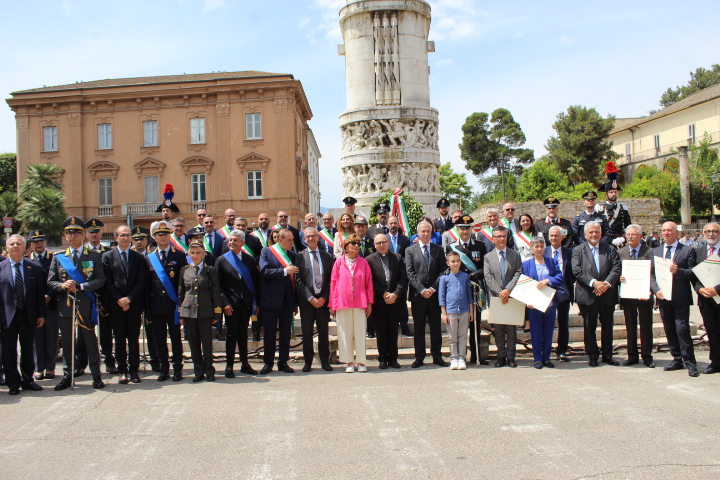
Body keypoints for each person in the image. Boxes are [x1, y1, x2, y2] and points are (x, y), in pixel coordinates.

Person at [48, 216, 106, 390]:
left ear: (83, 235)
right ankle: (68, 375)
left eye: (76, 233)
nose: (72, 236)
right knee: (67, 341)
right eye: (69, 233)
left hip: (85, 303)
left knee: (89, 340)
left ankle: (96, 375)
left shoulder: (94, 256)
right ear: (65, 236)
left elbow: (101, 280)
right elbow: (51, 281)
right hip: (65, 305)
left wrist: (81, 286)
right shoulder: (58, 258)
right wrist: (62, 285)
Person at [0, 235, 46, 395]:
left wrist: (41, 314)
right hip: (6, 317)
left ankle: (28, 380)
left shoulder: (34, 267)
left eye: (18, 243)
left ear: (24, 246)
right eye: (11, 244)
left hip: (28, 315)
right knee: (9, 350)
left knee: (28, 349)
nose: (15, 246)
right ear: (6, 247)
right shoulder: (1, 268)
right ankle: (13, 382)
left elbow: (40, 294)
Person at [651, 221, 699, 377]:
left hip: (680, 298)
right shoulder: (656, 251)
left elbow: (693, 273)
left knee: (682, 330)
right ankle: (677, 359)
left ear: (676, 233)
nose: (666, 233)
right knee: (670, 330)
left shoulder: (687, 251)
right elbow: (651, 275)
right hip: (664, 298)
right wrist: (656, 291)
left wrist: (679, 271)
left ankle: (690, 363)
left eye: (669, 230)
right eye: (664, 230)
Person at [571, 221, 621, 367]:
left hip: (607, 294)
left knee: (607, 326)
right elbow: (577, 270)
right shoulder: (578, 250)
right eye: (591, 232)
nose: (594, 235)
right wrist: (594, 283)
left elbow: (616, 269)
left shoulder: (610, 249)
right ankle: (592, 355)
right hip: (588, 294)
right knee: (589, 326)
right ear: (585, 234)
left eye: (597, 232)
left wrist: (605, 285)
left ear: (601, 233)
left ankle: (607, 355)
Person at [102, 226, 147, 384]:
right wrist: (120, 300)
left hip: (133, 305)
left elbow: (142, 281)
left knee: (133, 339)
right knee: (120, 339)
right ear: (116, 237)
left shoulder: (138, 257)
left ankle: (134, 370)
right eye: (123, 235)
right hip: (116, 305)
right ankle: (122, 370)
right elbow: (107, 282)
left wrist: (129, 299)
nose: (126, 238)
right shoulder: (107, 257)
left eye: (128, 235)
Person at [215, 230, 261, 377]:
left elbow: (255, 283)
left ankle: (245, 364)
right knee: (231, 335)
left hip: (246, 304)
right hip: (230, 305)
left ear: (242, 243)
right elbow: (218, 286)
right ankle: (229, 366)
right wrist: (225, 303)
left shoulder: (249, 260)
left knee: (243, 335)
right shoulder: (222, 260)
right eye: (230, 240)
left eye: (235, 240)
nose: (232, 242)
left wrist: (256, 303)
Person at [146, 222, 187, 381]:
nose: (162, 237)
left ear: (170, 236)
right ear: (154, 237)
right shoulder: (149, 257)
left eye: (165, 234)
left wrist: (182, 304)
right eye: (159, 234)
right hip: (156, 305)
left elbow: (183, 282)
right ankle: (164, 369)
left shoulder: (179, 255)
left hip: (173, 305)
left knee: (176, 338)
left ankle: (178, 369)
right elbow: (147, 283)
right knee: (160, 339)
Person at [178, 241, 223, 382]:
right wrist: (180, 313)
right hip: (189, 311)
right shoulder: (184, 270)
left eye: (198, 252)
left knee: (207, 343)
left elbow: (216, 293)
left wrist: (217, 313)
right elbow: (181, 292)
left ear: (203, 254)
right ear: (189, 255)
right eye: (193, 253)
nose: (195, 255)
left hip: (205, 311)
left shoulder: (210, 271)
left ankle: (209, 370)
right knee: (193, 342)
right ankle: (198, 371)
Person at [406, 220, 448, 368]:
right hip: (418, 296)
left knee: (436, 327)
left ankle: (437, 356)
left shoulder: (438, 249)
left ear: (432, 233)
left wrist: (433, 288)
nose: (425, 234)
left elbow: (443, 270)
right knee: (419, 328)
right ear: (418, 233)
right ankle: (419, 357)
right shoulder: (410, 250)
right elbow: (410, 273)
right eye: (423, 231)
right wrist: (422, 290)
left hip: (434, 295)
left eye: (428, 231)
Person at [329, 233, 373, 373]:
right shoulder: (339, 263)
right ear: (346, 246)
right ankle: (348, 361)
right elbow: (333, 284)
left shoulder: (364, 262)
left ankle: (361, 361)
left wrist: (370, 303)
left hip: (360, 302)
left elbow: (369, 284)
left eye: (358, 243)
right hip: (343, 302)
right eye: (353, 243)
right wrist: (332, 304)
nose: (356, 246)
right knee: (345, 332)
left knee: (360, 332)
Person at [446, 215, 487, 364]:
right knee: (458, 326)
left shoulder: (480, 245)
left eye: (467, 227)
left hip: (475, 289)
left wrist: (478, 274)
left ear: (472, 228)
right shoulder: (451, 247)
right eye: (462, 228)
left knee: (475, 324)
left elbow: (484, 265)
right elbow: (449, 268)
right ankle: (457, 356)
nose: (464, 231)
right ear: (457, 229)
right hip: (460, 290)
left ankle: (476, 355)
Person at [259, 228, 298, 374]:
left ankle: (283, 362)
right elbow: (264, 271)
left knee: (285, 334)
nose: (292, 242)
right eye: (289, 240)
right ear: (279, 240)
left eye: (293, 239)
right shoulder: (267, 252)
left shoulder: (292, 255)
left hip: (287, 300)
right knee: (269, 334)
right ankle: (268, 363)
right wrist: (284, 271)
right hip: (271, 300)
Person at [295, 228, 334, 372]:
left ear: (318, 238)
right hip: (307, 302)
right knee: (307, 333)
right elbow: (298, 280)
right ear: (304, 239)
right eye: (308, 237)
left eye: (313, 236)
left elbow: (331, 279)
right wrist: (310, 298)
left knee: (324, 333)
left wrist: (324, 297)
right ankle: (308, 361)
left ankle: (325, 361)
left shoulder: (327, 256)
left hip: (323, 301)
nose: (311, 238)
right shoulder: (299, 257)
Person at [366, 234, 407, 369]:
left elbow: (403, 278)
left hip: (395, 301)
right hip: (379, 302)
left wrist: (395, 294)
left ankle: (393, 359)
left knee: (393, 331)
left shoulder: (398, 257)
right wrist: (383, 293)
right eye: (378, 243)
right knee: (381, 332)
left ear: (388, 242)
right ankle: (382, 358)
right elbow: (370, 281)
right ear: (374, 245)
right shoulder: (369, 260)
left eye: (383, 242)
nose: (381, 245)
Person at [523, 236, 565, 369]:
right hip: (533, 303)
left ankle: (546, 357)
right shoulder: (526, 264)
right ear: (531, 247)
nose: (539, 249)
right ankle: (537, 359)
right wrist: (527, 300)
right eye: (536, 246)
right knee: (535, 331)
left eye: (541, 246)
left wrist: (549, 280)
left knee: (548, 330)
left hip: (549, 302)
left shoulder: (552, 262)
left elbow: (560, 276)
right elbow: (523, 284)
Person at [484, 226, 523, 368]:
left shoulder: (515, 254)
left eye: (504, 236)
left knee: (512, 329)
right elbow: (488, 277)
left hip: (512, 296)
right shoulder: (488, 257)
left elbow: (518, 273)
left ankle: (511, 357)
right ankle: (501, 356)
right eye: (498, 236)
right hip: (496, 297)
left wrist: (508, 290)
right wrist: (500, 292)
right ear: (493, 239)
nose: (501, 239)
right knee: (498, 329)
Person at [617, 224, 655, 368]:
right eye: (628, 235)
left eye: (634, 234)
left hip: (644, 295)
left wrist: (651, 290)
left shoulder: (650, 251)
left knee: (646, 326)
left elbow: (654, 274)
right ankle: (632, 356)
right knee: (630, 326)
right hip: (628, 295)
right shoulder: (621, 252)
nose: (631, 237)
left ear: (640, 236)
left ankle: (647, 356)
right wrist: (620, 278)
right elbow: (617, 270)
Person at [26, 230, 57, 380]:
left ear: (45, 242)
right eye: (35, 241)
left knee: (51, 336)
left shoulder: (53, 259)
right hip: (34, 307)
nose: (38, 244)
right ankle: (39, 368)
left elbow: (59, 278)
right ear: (30, 244)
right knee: (37, 338)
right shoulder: (27, 260)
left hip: (51, 304)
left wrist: (49, 296)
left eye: (41, 241)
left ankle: (50, 367)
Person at [439, 251, 474, 370]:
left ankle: (462, 357)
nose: (455, 263)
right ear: (448, 263)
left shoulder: (465, 276)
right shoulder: (444, 278)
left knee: (463, 335)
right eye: (453, 261)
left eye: (457, 261)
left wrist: (471, 311)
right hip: (451, 310)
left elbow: (470, 295)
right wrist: (444, 313)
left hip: (464, 310)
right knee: (452, 336)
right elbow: (441, 296)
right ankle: (454, 357)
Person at [693, 223, 720, 374]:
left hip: (719, 295)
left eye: (715, 231)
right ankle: (715, 362)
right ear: (703, 234)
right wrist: (699, 289)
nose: (711, 234)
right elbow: (694, 276)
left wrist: (717, 289)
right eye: (708, 231)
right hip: (705, 299)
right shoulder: (699, 251)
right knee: (712, 331)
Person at [545, 225, 575, 362]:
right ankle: (545, 350)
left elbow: (573, 272)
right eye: (551, 236)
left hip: (563, 292)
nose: (553, 238)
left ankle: (562, 351)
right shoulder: (543, 252)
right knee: (546, 323)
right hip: (546, 292)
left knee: (563, 322)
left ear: (562, 237)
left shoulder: (569, 252)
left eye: (556, 235)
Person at [597, 161, 632, 248]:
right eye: (611, 192)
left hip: (620, 242)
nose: (613, 194)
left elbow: (628, 226)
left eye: (615, 192)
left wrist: (623, 238)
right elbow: (598, 227)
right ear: (606, 194)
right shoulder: (600, 207)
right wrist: (610, 240)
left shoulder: (622, 207)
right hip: (605, 242)